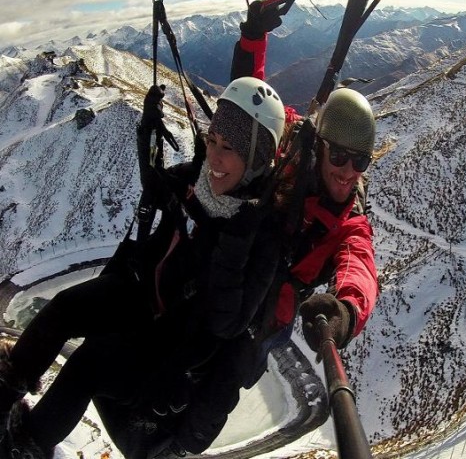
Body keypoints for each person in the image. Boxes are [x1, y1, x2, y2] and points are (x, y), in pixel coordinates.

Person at [0, 75, 287, 458]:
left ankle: (23, 447)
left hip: (175, 340)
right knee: (63, 308)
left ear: (256, 159)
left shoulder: (261, 230)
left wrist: (233, 248)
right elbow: (158, 186)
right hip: (144, 297)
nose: (214, 159)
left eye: (230, 148)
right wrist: (145, 137)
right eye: (212, 141)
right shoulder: (196, 181)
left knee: (88, 364)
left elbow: (228, 324)